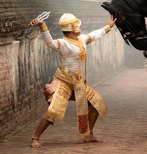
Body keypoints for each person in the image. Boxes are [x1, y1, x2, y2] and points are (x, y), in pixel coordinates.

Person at [28, 12, 116, 147]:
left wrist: (108, 27)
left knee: (96, 103)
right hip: (63, 81)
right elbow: (50, 43)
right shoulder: (62, 43)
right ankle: (35, 138)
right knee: (54, 110)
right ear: (73, 27)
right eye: (77, 25)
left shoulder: (82, 39)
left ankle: (88, 134)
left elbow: (94, 34)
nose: (79, 27)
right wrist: (42, 26)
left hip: (78, 82)